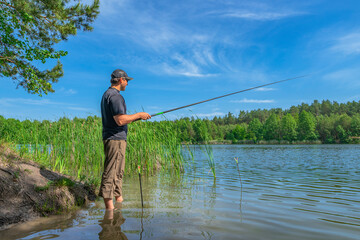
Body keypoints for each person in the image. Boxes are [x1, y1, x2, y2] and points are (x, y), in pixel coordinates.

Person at [99, 69, 151, 210]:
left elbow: (119, 119)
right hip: (115, 140)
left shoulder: (107, 95)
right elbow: (120, 120)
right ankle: (110, 212)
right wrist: (139, 115)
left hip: (115, 138)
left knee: (118, 171)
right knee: (111, 172)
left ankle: (119, 202)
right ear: (121, 80)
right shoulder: (116, 96)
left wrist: (136, 118)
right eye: (126, 80)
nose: (127, 83)